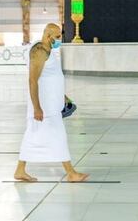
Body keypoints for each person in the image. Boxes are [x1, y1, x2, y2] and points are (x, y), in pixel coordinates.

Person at [14, 24, 89, 183]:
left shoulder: (49, 52)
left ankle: (20, 170)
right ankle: (71, 173)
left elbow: (51, 78)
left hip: (52, 104)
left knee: (32, 136)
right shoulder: (39, 52)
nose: (58, 41)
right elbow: (32, 80)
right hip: (45, 107)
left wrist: (64, 97)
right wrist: (37, 108)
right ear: (48, 36)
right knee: (58, 136)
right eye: (56, 37)